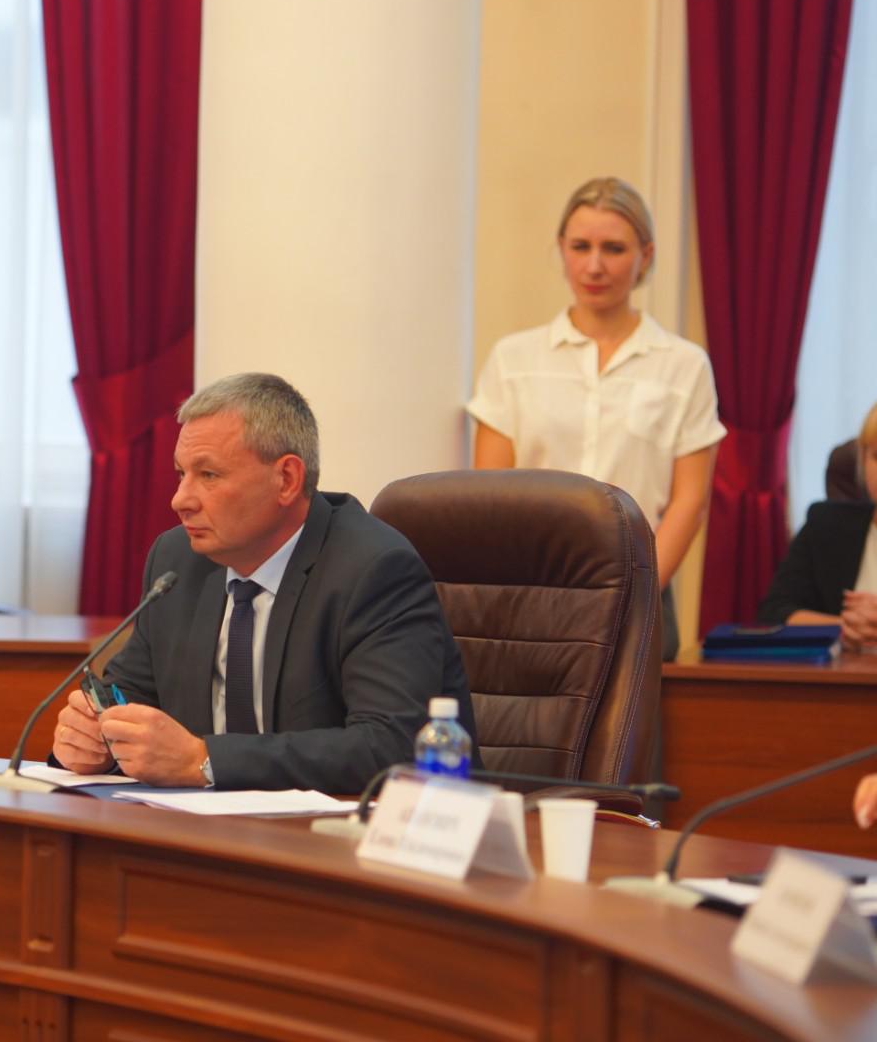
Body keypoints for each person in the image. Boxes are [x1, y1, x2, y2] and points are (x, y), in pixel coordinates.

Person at [50, 372, 475, 793]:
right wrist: (98, 740)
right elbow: (130, 696)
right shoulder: (177, 559)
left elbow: (391, 745)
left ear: (286, 479)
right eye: (181, 474)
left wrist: (204, 760)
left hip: (337, 829)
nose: (180, 500)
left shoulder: (372, 569)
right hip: (198, 824)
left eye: (209, 475)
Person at [467, 177, 725, 660]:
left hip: (642, 590)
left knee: (635, 714)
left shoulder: (684, 365)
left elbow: (690, 503)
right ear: (561, 249)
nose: (594, 266)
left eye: (614, 249)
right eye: (580, 246)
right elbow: (492, 494)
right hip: (531, 590)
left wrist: (634, 592)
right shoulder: (513, 358)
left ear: (646, 256)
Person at [757, 401, 877, 652]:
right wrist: (844, 627)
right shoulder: (825, 524)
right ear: (862, 461)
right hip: (842, 673)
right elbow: (775, 612)